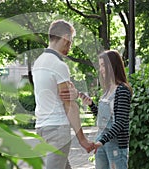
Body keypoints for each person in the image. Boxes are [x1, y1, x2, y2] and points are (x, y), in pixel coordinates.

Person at [32, 19, 94, 169]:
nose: (70, 46)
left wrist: (74, 93)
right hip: (57, 129)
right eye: (70, 42)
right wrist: (82, 140)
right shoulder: (58, 65)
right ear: (65, 38)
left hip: (42, 128)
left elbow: (52, 95)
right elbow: (69, 105)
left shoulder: (38, 62)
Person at [79, 50, 132, 169]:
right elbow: (105, 118)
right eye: (100, 65)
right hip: (102, 141)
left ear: (112, 66)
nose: (101, 69)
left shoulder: (122, 90)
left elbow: (120, 122)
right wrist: (91, 105)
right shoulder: (107, 90)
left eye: (103, 65)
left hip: (116, 144)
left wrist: (102, 141)